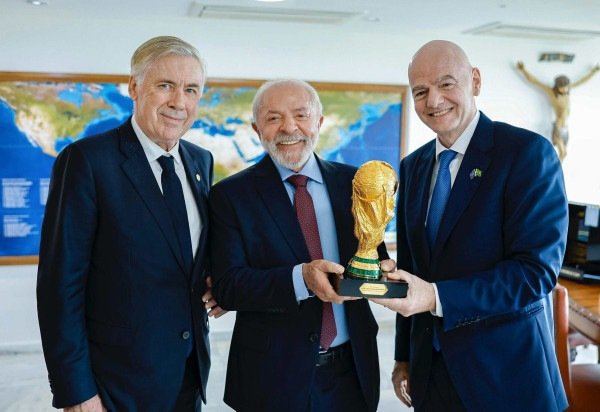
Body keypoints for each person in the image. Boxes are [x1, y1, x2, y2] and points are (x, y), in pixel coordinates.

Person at [371, 40, 569, 411]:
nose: (434, 101)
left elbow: (534, 274)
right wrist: (404, 356)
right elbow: (412, 270)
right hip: (431, 377)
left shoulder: (526, 154)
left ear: (475, 81)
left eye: (446, 84)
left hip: (505, 378)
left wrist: (436, 297)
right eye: (421, 91)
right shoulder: (413, 167)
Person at [37, 36, 224, 412]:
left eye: (191, 90)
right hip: (115, 385)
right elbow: (60, 286)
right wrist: (77, 392)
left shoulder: (200, 161)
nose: (179, 102)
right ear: (134, 87)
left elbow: (183, 255)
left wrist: (219, 282)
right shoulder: (87, 161)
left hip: (187, 375)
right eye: (166, 85)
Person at [209, 79, 389, 412]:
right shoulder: (230, 196)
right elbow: (228, 287)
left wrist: (385, 274)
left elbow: (372, 259)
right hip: (271, 379)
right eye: (273, 117)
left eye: (301, 115)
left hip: (352, 373)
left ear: (319, 122)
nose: (289, 127)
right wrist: (301, 279)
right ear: (256, 129)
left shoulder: (354, 183)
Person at [516, 61, 599, 161]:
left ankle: (553, 166)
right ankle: (555, 168)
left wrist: (594, 71)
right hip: (558, 127)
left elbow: (582, 81)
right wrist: (523, 70)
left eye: (566, 87)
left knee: (563, 154)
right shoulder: (551, 92)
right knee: (563, 153)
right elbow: (534, 81)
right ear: (557, 86)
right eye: (562, 88)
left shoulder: (568, 90)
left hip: (565, 127)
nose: (564, 89)